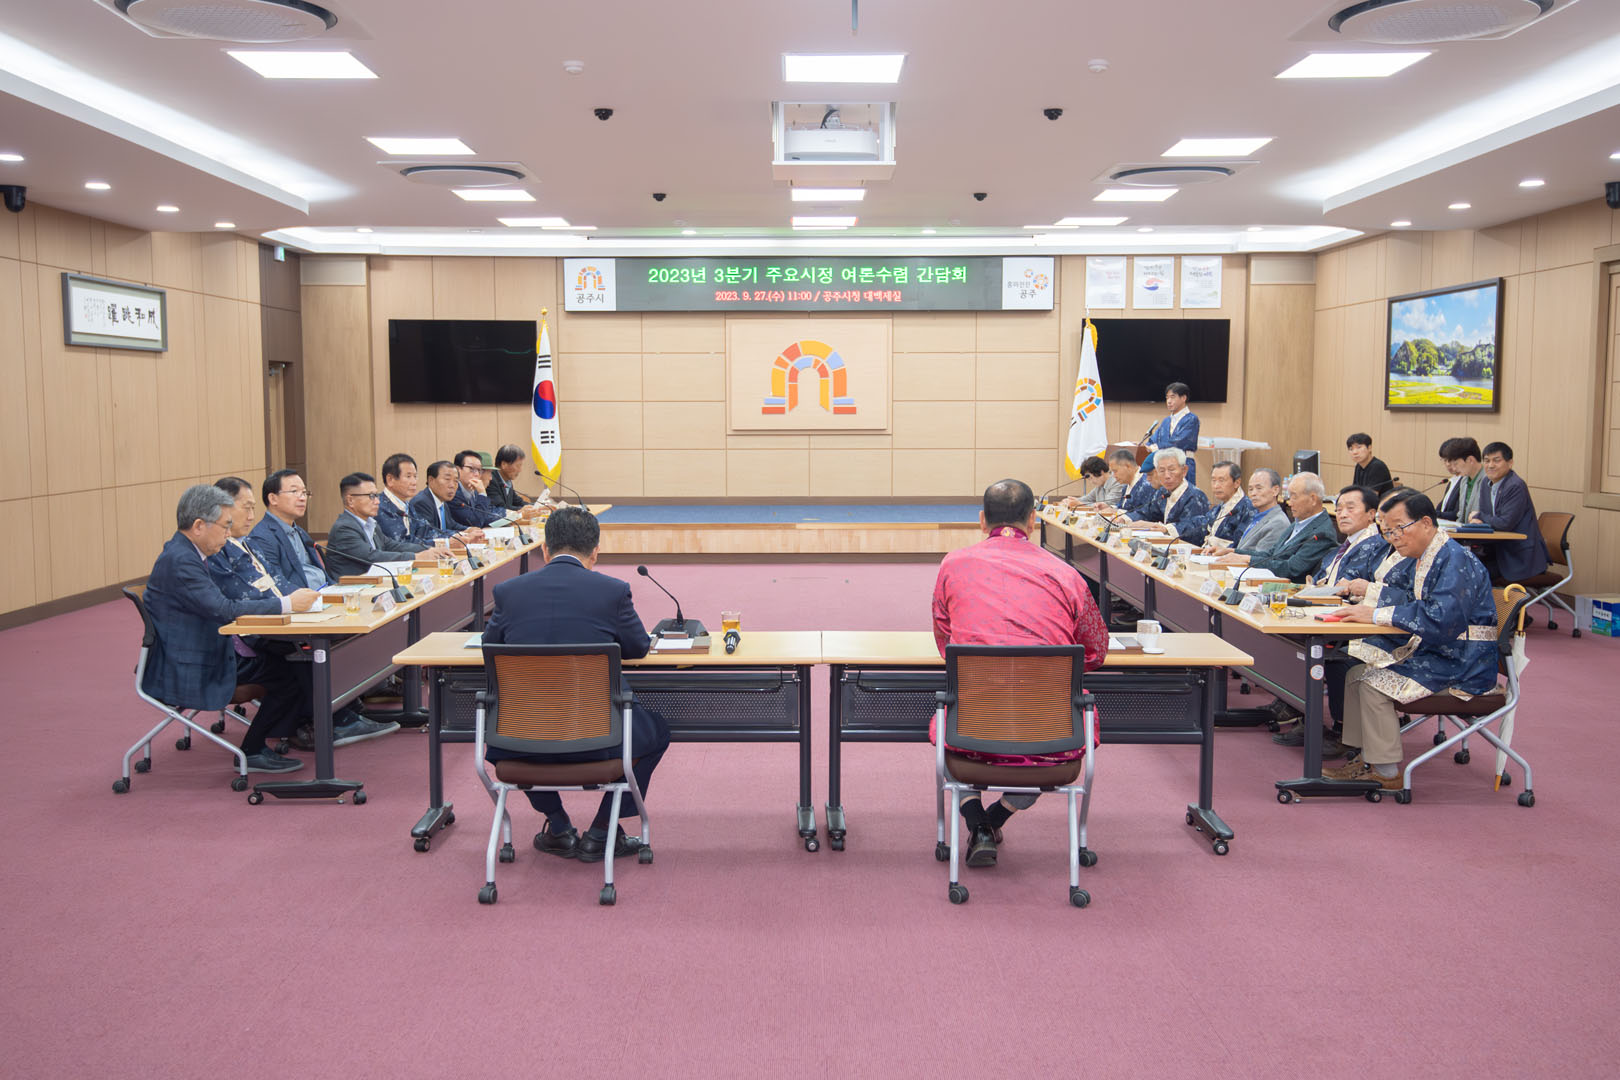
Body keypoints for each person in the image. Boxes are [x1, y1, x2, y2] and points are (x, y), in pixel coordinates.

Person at [931, 479, 1109, 869]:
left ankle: (977, 821)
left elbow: (945, 643)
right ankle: (995, 818)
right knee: (1056, 736)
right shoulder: (1066, 574)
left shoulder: (952, 565)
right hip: (1051, 739)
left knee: (949, 720)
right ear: (1033, 521)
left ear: (982, 520)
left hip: (970, 733)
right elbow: (1096, 650)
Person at [481, 507, 670, 863]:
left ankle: (558, 825)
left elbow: (490, 648)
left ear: (544, 550)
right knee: (656, 732)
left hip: (521, 738)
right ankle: (602, 830)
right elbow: (637, 648)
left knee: (509, 733)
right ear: (595, 552)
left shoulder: (508, 592)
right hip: (599, 738)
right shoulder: (612, 591)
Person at [1325, 491, 1499, 790]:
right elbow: (1409, 599)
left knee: (1372, 685)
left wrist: (1377, 614)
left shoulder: (1455, 559)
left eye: (1398, 529)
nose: (1393, 538)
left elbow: (1441, 619)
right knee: (1355, 674)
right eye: (1388, 531)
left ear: (1426, 523)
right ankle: (1364, 758)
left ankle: (1386, 772)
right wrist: (1374, 607)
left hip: (1463, 661)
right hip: (1438, 651)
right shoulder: (1428, 555)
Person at [210, 477, 397, 750]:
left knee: (336, 636)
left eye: (252, 508)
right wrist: (291, 603)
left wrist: (310, 600)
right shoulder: (229, 547)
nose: (251, 515)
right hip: (251, 632)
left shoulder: (250, 542)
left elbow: (276, 583)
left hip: (280, 614)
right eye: (245, 507)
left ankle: (344, 709)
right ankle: (327, 719)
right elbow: (245, 596)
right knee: (307, 650)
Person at [143, 485, 317, 774]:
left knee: (292, 662)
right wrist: (286, 604)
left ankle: (274, 738)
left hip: (207, 645)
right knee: (290, 672)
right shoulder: (182, 561)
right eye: (225, 526)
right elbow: (223, 609)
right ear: (199, 526)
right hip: (190, 662)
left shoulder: (186, 552)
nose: (228, 533)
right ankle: (252, 750)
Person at [1213, 472, 1337, 582]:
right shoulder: (1300, 522)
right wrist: (1234, 552)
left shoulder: (1321, 533)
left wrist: (1247, 560)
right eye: (1289, 497)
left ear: (1313, 499)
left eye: (1294, 497)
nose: (1290, 503)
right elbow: (1271, 554)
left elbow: (1291, 568)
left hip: (1289, 590)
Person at [1471, 441, 1549, 582]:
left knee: (1473, 574)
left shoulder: (1515, 486)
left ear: (1510, 463)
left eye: (1496, 460)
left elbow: (1504, 523)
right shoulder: (1485, 483)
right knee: (1462, 566)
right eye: (1487, 461)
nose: (1490, 465)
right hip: (1496, 551)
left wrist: (1479, 515)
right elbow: (1486, 520)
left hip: (1518, 557)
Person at [247, 470, 332, 593]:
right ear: (273, 499)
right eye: (294, 491)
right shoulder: (261, 537)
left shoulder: (299, 531)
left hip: (326, 594)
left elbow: (323, 573)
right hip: (303, 600)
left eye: (304, 492)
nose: (302, 498)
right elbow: (276, 583)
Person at [325, 472, 423, 577]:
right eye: (371, 496)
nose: (377, 501)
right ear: (350, 500)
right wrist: (415, 557)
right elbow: (372, 557)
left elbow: (392, 546)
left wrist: (427, 550)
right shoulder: (344, 529)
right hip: (352, 585)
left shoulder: (371, 524)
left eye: (376, 495)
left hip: (373, 581)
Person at [1312, 485, 1390, 588]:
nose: (1343, 515)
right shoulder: (1344, 546)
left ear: (1371, 514)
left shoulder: (1379, 547)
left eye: (1350, 508)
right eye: (1339, 509)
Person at [1201, 467, 1288, 555]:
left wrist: (1230, 554)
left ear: (1275, 490)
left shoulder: (1278, 522)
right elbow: (1244, 549)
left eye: (1259, 488)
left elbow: (1261, 558)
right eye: (1250, 489)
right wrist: (1225, 551)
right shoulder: (1257, 516)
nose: (1253, 493)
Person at [1133, 448, 1211, 541]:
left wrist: (1166, 529)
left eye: (1171, 469)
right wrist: (1125, 519)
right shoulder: (1163, 492)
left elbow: (1195, 530)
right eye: (1162, 471)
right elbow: (1147, 513)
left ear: (1184, 471)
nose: (1167, 476)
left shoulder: (1195, 496)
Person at [409, 460, 492, 535]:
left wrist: (468, 529)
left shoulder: (442, 502)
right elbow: (429, 533)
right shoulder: (422, 502)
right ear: (431, 480)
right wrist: (461, 534)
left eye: (456, 481)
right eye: (447, 479)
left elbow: (452, 525)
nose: (452, 485)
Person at [1142, 382, 1201, 486]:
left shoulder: (1191, 419)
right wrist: (1145, 446)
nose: (1169, 401)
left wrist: (1154, 447)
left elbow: (1179, 443)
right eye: (1167, 398)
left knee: (1183, 492)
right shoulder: (1166, 421)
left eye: (1172, 397)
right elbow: (1153, 440)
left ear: (1183, 398)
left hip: (1183, 462)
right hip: (1165, 464)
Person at [1183, 461, 1253, 547]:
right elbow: (1201, 526)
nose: (1216, 486)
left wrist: (1216, 543)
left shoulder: (1248, 509)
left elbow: (1242, 545)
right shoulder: (1220, 507)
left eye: (1221, 480)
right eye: (1213, 480)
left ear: (1237, 483)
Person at [1438, 437, 1485, 522]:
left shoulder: (1488, 480)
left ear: (1470, 460)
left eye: (1456, 464)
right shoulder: (1464, 480)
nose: (1454, 468)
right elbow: (1460, 515)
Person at [454, 449, 505, 526]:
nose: (477, 474)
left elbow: (489, 512)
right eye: (472, 469)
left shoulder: (474, 490)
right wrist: (482, 493)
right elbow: (476, 522)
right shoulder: (453, 493)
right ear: (458, 470)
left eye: (479, 470)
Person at [1102, 447, 1158, 518]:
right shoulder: (1126, 485)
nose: (1114, 476)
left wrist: (1120, 514)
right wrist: (1110, 508)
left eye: (1115, 471)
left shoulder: (1147, 484)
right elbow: (1123, 508)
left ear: (1128, 466)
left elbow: (1144, 514)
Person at [486, 444, 531, 511]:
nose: (520, 470)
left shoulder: (507, 481)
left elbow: (518, 502)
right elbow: (500, 508)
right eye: (518, 466)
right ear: (504, 464)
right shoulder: (490, 480)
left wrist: (537, 507)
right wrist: (523, 510)